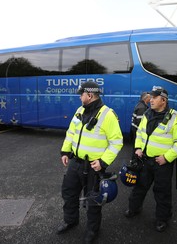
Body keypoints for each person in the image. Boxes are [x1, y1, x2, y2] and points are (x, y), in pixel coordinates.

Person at [57, 81, 123, 243]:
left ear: (90, 95)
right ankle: (71, 220)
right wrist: (65, 151)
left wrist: (103, 161)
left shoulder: (108, 115)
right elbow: (71, 132)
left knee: (93, 200)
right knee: (69, 192)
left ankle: (92, 230)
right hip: (75, 162)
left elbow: (117, 142)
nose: (80, 97)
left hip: (94, 167)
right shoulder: (80, 110)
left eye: (82, 94)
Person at [124, 86, 177, 232]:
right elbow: (140, 133)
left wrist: (166, 157)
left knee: (162, 192)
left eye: (154, 97)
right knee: (139, 187)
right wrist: (138, 148)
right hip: (145, 160)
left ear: (163, 100)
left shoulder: (176, 118)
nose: (150, 100)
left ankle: (162, 219)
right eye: (150, 97)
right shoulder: (147, 114)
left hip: (162, 164)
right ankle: (134, 208)